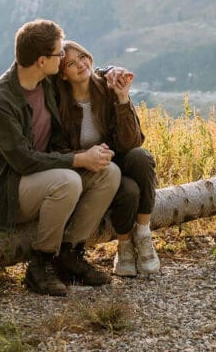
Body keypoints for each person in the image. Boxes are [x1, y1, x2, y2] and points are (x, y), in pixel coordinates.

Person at [0, 19, 121, 297]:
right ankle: (40, 265)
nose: (63, 57)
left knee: (109, 172)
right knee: (68, 181)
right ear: (42, 61)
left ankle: (69, 255)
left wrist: (112, 71)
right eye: (58, 54)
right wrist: (78, 159)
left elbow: (83, 70)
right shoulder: (0, 101)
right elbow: (23, 161)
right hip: (7, 191)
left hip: (45, 177)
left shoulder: (47, 79)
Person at [56, 40, 160, 278]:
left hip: (115, 159)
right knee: (130, 190)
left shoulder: (107, 87)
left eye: (82, 57)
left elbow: (131, 142)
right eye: (71, 64)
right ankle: (124, 247)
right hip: (88, 171)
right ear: (63, 75)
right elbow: (57, 148)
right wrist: (84, 157)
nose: (81, 65)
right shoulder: (60, 103)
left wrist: (123, 99)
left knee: (141, 158)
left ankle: (143, 234)